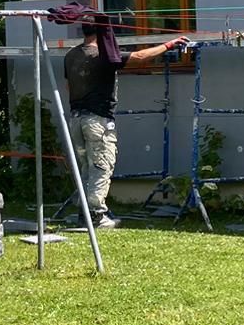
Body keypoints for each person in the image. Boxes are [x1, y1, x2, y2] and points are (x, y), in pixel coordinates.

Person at [64, 18, 188, 227]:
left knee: (86, 168)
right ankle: (96, 216)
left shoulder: (70, 55)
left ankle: (83, 213)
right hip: (98, 121)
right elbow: (139, 57)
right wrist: (169, 44)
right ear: (103, 32)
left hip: (76, 119)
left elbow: (68, 87)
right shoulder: (104, 55)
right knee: (101, 167)